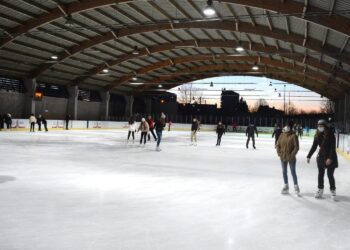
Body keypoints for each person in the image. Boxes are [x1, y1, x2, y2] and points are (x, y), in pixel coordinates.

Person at [307, 119, 338, 199]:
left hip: (331, 156)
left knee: (330, 174)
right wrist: (309, 156)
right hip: (321, 156)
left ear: (325, 126)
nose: (319, 127)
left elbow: (332, 148)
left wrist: (330, 158)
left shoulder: (331, 135)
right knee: (320, 174)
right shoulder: (317, 135)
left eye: (321, 126)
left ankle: (333, 190)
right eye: (318, 126)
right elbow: (314, 146)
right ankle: (320, 189)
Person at [276, 121, 300, 195]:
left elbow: (296, 147)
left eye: (288, 126)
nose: (286, 127)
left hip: (291, 158)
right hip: (283, 157)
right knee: (284, 172)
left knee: (293, 172)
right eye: (285, 126)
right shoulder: (281, 135)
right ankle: (286, 186)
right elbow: (278, 145)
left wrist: (292, 155)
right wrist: (279, 153)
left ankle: (296, 187)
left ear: (291, 127)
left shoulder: (294, 136)